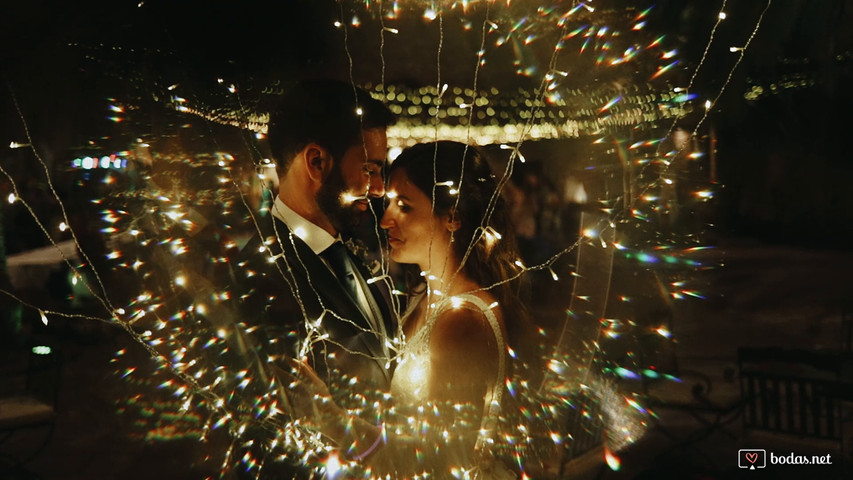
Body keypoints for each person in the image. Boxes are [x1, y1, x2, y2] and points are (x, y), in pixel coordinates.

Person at [283, 141, 527, 478]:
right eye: (388, 204)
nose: (384, 221)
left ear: (452, 217)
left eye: (405, 206)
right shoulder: (426, 300)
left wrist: (334, 421)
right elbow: (405, 437)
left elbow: (434, 463)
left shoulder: (464, 320)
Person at [234, 79, 397, 399]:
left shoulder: (343, 242)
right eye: (369, 169)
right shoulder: (263, 279)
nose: (378, 188)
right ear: (316, 162)